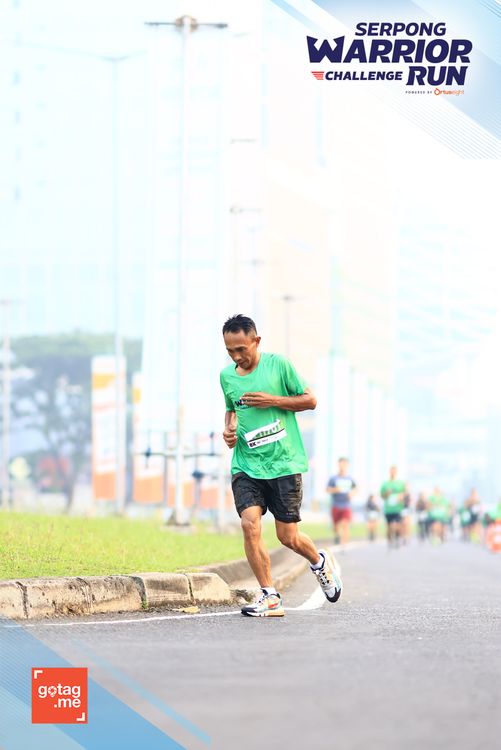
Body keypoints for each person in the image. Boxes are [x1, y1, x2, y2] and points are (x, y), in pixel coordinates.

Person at [220, 314, 342, 617]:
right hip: (247, 464)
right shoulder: (226, 376)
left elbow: (310, 400)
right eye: (230, 350)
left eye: (241, 349)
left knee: (287, 537)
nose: (237, 356)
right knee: (249, 524)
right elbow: (231, 409)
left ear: (256, 341)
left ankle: (319, 562)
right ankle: (270, 596)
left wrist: (272, 400)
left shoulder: (279, 366)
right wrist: (229, 429)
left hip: (284, 463)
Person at [326, 457, 356, 546]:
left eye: (344, 464)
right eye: (341, 464)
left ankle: (344, 544)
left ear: (347, 465)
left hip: (346, 505)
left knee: (345, 523)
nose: (342, 466)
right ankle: (337, 536)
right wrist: (335, 489)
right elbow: (327, 489)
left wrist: (352, 494)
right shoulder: (333, 478)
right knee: (336, 526)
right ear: (338, 465)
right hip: (336, 505)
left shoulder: (350, 479)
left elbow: (356, 489)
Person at [380, 465, 407, 548]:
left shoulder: (400, 483)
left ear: (396, 472)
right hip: (388, 509)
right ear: (389, 472)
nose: (393, 472)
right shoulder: (385, 483)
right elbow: (382, 496)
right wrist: (387, 493)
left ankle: (397, 538)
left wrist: (401, 496)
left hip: (398, 508)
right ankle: (389, 541)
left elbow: (405, 493)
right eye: (392, 471)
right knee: (389, 526)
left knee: (397, 525)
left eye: (394, 471)